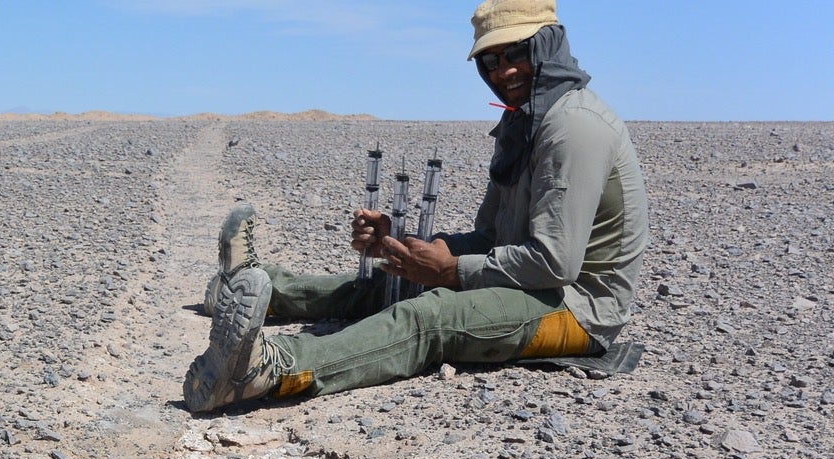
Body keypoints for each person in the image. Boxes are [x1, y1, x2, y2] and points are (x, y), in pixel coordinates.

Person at [183, 0, 649, 413]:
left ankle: (272, 370)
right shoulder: (525, 121)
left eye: (517, 54)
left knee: (428, 316)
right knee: (394, 282)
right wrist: (404, 247)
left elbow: (554, 263)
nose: (503, 71)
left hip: (576, 310)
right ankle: (255, 289)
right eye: (491, 59)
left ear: (549, 48)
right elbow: (490, 240)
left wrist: (449, 271)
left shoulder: (573, 128)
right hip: (536, 282)